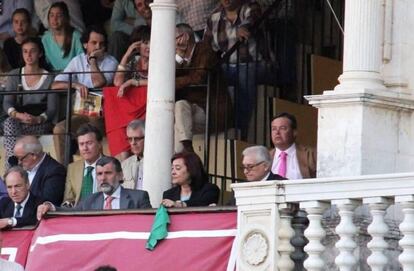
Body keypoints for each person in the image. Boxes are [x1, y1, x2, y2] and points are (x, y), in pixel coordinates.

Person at [52, 25, 118, 164]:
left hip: (102, 115)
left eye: (101, 43)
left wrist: (93, 60)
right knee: (59, 129)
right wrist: (75, 84)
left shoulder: (111, 62)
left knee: (91, 129)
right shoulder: (78, 60)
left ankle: (98, 168)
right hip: (81, 113)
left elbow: (98, 83)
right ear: (85, 44)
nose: (98, 46)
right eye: (94, 43)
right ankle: (66, 171)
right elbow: (55, 84)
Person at [204, 0, 264, 139]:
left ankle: (241, 128)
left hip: (256, 64)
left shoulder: (250, 7)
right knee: (212, 77)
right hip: (228, 66)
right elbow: (206, 45)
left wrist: (242, 28)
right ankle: (220, 123)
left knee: (244, 71)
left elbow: (251, 22)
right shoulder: (214, 18)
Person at [37, 156, 151, 217]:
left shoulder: (139, 198)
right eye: (99, 174)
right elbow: (71, 213)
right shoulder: (90, 200)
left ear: (120, 175)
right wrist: (51, 207)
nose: (102, 178)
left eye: (108, 173)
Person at [3, 37, 57, 166]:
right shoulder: (14, 75)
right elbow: (7, 103)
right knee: (9, 122)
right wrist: (18, 115)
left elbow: (52, 109)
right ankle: (13, 161)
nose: (28, 55)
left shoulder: (50, 78)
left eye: (32, 51)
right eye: (25, 51)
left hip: (39, 122)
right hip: (19, 120)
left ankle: (14, 166)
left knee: (16, 133)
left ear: (40, 53)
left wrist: (37, 119)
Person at [104, 25, 149, 159]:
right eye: (144, 43)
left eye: (151, 42)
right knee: (111, 94)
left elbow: (162, 82)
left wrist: (134, 82)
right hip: (131, 107)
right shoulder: (134, 61)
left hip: (148, 104)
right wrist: (126, 55)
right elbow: (118, 82)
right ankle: (121, 155)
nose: (148, 46)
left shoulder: (161, 60)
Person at [173, 23, 217, 153]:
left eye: (173, 38)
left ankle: (186, 152)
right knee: (170, 115)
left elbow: (198, 77)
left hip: (208, 110)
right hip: (187, 114)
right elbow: (168, 76)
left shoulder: (204, 50)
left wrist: (172, 83)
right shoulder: (178, 57)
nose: (170, 42)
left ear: (185, 37)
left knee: (180, 105)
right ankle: (180, 158)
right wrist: (179, 56)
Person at [12, 136, 66, 206]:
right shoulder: (23, 168)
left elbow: (46, 202)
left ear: (34, 155)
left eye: (21, 158)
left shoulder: (55, 171)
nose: (19, 162)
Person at [62, 124, 103, 207]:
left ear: (99, 144)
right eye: (81, 144)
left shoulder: (111, 165)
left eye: (89, 143)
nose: (85, 148)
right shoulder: (72, 168)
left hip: (102, 214)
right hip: (78, 215)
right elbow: (69, 199)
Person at [270, 112, 317, 179]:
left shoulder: (311, 155)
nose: (277, 132)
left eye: (282, 128)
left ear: (294, 132)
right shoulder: (265, 158)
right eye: (274, 129)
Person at [41, 2, 84, 71]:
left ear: (65, 18)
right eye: (52, 15)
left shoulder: (76, 36)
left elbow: (81, 60)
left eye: (59, 15)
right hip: (54, 77)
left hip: (73, 75)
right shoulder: (45, 38)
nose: (55, 19)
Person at [121, 120, 145, 189]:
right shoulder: (124, 165)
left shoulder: (157, 163)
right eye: (130, 139)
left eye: (137, 139)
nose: (133, 143)